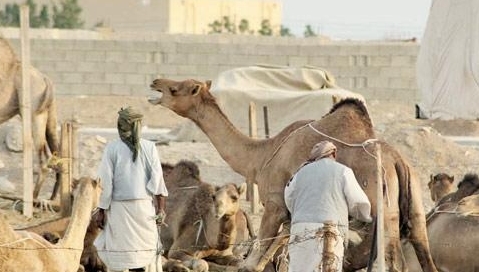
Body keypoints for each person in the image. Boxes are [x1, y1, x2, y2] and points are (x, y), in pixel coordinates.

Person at [93, 106, 168, 272]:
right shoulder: (150, 147)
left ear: (120, 126)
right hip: (145, 211)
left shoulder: (112, 148)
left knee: (119, 256)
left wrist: (101, 210)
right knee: (147, 254)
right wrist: (161, 210)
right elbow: (158, 183)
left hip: (119, 211)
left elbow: (105, 183)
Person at [284, 140, 372, 272]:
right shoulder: (343, 171)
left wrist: (302, 214)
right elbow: (359, 202)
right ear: (334, 154)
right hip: (330, 231)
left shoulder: (299, 173)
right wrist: (366, 218)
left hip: (300, 230)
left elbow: (289, 198)